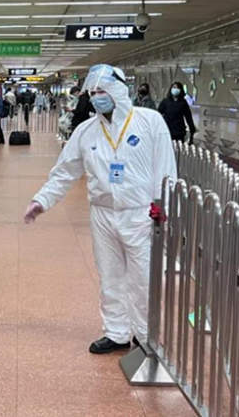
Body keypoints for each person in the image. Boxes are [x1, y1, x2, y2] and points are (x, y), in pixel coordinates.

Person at [24, 64, 176, 354]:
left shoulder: (150, 121)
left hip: (141, 213)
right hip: (103, 213)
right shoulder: (86, 131)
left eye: (102, 91)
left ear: (118, 89)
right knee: (110, 275)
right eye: (92, 93)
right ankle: (117, 332)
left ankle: (145, 335)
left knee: (143, 277)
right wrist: (41, 201)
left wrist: (163, 205)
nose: (97, 97)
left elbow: (166, 168)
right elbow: (65, 171)